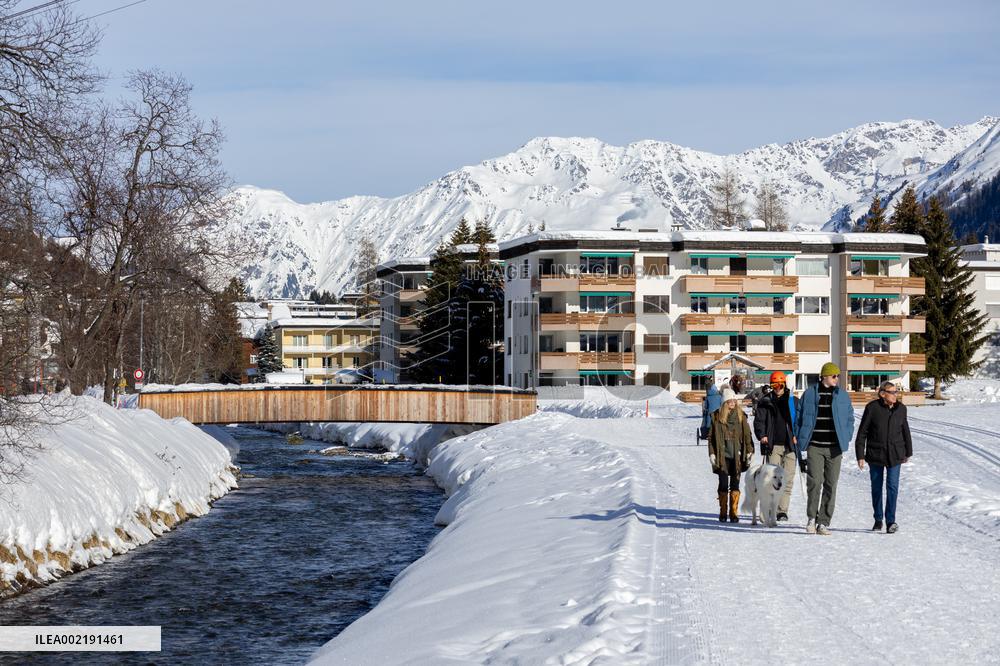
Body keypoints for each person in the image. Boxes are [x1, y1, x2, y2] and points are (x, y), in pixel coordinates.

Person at [795, 362, 855, 535]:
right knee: (814, 482)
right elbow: (799, 417)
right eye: (834, 376)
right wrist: (800, 437)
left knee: (831, 484)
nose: (837, 379)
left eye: (838, 376)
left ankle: (824, 522)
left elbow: (850, 418)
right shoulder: (809, 394)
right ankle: (811, 518)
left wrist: (847, 435)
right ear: (825, 377)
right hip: (815, 446)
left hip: (835, 448)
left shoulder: (843, 396)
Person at [855, 381, 912, 534]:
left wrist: (908, 451)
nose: (895, 395)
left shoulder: (901, 409)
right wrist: (860, 454)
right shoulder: (872, 408)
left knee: (892, 487)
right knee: (876, 487)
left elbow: (905, 430)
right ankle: (878, 519)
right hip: (876, 454)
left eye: (896, 392)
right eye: (892, 392)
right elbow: (862, 433)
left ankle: (891, 521)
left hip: (895, 453)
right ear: (882, 394)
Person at [753, 371, 798, 521]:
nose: (777, 388)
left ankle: (782, 510)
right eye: (774, 385)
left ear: (784, 384)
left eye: (779, 384)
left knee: (788, 479)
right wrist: (762, 435)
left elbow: (800, 420)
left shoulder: (793, 401)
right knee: (771, 479)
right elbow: (758, 421)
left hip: (791, 445)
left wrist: (798, 435)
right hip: (773, 445)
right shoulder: (765, 401)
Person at [708, 386, 754, 523]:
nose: (733, 403)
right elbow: (711, 438)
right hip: (722, 456)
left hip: (737, 456)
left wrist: (750, 451)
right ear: (724, 403)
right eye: (730, 401)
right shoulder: (716, 417)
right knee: (723, 484)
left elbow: (747, 435)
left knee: (735, 484)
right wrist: (712, 453)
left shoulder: (741, 417)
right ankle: (723, 511)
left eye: (734, 401)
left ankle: (733, 512)